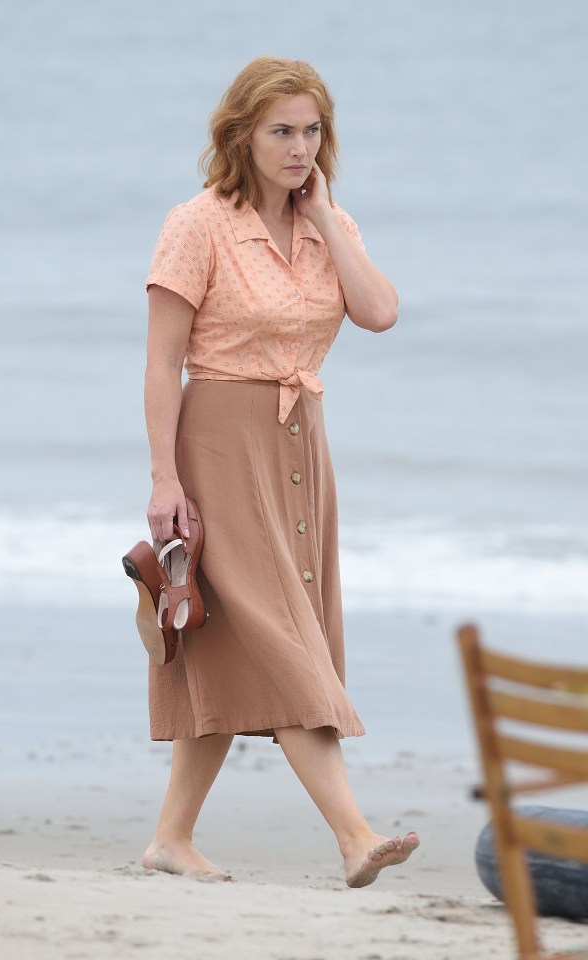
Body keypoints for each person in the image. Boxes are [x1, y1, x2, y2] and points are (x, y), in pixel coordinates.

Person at [140, 55, 419, 887]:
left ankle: (170, 840)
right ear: (242, 135)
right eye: (282, 131)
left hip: (301, 443)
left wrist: (327, 220)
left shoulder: (332, 226)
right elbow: (161, 365)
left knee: (238, 640)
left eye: (312, 130)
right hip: (220, 438)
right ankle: (354, 835)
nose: (300, 147)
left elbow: (379, 313)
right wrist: (165, 479)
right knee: (286, 639)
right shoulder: (198, 223)